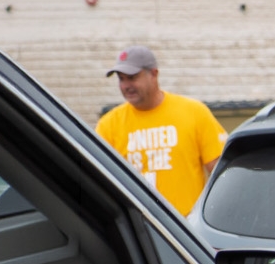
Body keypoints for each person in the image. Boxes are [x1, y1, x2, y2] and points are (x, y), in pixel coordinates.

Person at [95, 45, 227, 216]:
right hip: (140, 231)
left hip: (189, 232)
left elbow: (222, 173)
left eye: (132, 77)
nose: (126, 85)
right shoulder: (108, 125)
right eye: (121, 79)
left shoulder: (193, 112)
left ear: (154, 74)